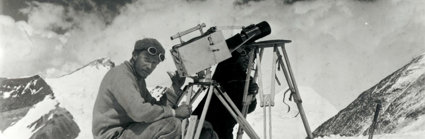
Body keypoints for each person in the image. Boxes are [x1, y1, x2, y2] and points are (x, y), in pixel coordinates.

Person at [92, 38, 191, 139]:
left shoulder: (138, 79)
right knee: (171, 125)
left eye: (154, 63)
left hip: (128, 130)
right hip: (113, 136)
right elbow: (139, 112)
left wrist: (175, 87)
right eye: (147, 60)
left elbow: (154, 107)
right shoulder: (121, 75)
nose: (150, 66)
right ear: (135, 55)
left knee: (181, 123)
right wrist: (174, 112)